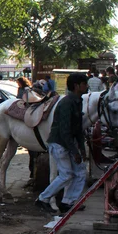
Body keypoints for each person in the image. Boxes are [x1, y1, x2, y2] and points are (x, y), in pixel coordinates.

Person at [35, 73, 89, 214]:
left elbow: (77, 129)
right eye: (84, 83)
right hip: (59, 143)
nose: (87, 86)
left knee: (81, 172)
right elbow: (65, 131)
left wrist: (81, 149)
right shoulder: (66, 103)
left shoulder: (78, 101)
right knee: (66, 174)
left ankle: (68, 202)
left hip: (69, 143)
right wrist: (75, 152)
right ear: (77, 86)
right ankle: (43, 199)